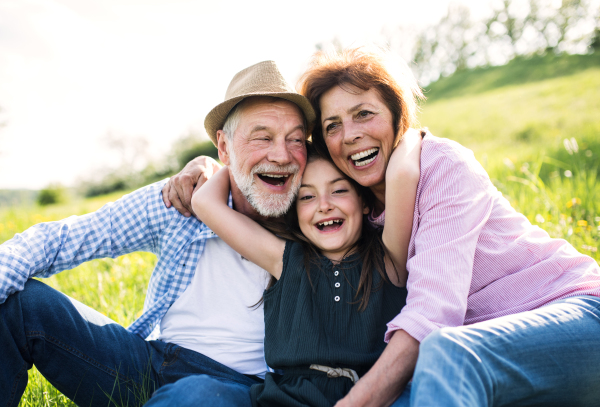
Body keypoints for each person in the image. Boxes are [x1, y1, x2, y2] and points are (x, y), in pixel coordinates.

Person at [165, 46, 600, 407]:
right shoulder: (357, 216)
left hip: (572, 316)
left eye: (364, 114)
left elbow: (433, 316)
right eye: (333, 125)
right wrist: (210, 162)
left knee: (443, 356)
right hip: (492, 355)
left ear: (397, 118)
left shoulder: (442, 165)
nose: (350, 134)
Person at [0, 60, 316, 407]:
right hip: (148, 364)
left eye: (295, 139)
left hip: (239, 388)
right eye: (262, 137)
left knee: (192, 394)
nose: (281, 154)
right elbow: (65, 239)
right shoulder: (181, 200)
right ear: (223, 148)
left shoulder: (319, 220)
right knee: (21, 302)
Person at [189, 141, 417, 406]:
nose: (324, 205)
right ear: (295, 213)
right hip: (287, 400)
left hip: (375, 397)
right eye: (307, 197)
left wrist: (411, 134)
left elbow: (403, 174)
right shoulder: (285, 260)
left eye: (339, 190)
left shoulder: (389, 259)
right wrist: (233, 163)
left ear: (364, 202)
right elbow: (204, 202)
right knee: (196, 394)